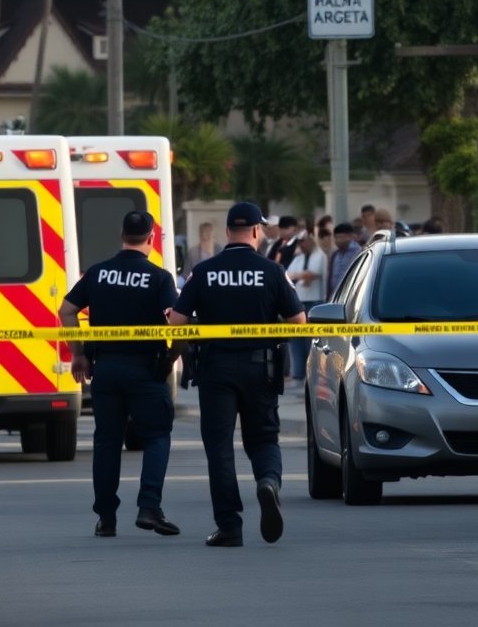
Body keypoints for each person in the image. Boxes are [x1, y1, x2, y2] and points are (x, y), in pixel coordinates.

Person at [169, 201, 305, 547]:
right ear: (257, 231)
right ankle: (268, 483)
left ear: (228, 232)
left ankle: (229, 526)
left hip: (216, 369)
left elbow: (177, 323)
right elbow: (298, 322)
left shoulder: (203, 270)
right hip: (260, 367)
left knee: (219, 447)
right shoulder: (272, 271)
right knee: (262, 438)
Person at [58, 211, 181, 539]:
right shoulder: (159, 277)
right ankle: (149, 507)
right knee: (156, 436)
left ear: (121, 235)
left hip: (107, 369)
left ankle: (106, 519)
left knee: (107, 442)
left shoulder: (98, 273)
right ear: (152, 240)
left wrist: (79, 353)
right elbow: (177, 321)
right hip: (146, 369)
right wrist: (172, 356)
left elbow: (67, 310)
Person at [285, 232, 327, 384]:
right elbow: (287, 275)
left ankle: (312, 375)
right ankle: (298, 373)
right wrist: (301, 275)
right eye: (299, 242)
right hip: (301, 300)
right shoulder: (298, 258)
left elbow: (312, 274)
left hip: (316, 301)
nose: (301, 245)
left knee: (311, 342)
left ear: (311, 240)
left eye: (304, 241)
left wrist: (300, 275)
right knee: (297, 339)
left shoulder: (320, 256)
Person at [327, 222, 360, 295]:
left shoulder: (358, 253)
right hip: (335, 296)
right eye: (336, 238)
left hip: (351, 295)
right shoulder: (335, 255)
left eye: (341, 237)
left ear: (351, 236)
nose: (338, 241)